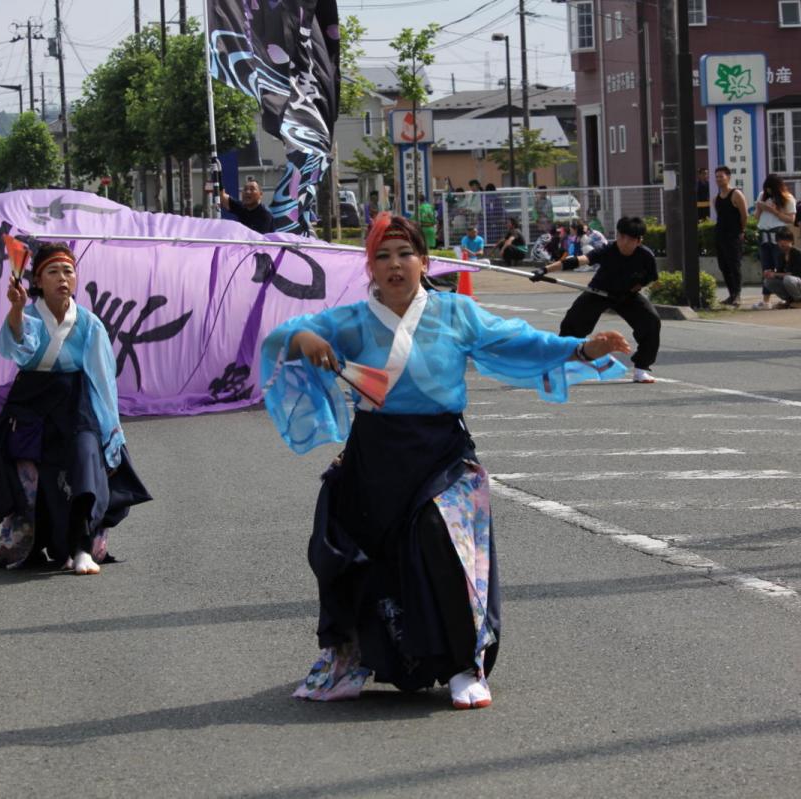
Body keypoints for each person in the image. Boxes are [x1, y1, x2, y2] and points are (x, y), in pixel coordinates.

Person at [259, 212, 630, 708]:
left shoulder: (456, 313)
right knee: (340, 546)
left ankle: (463, 664)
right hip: (375, 454)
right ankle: (349, 659)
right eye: (382, 256)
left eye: (405, 254)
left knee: (443, 541)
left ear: (424, 261)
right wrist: (300, 338)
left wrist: (581, 348)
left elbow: (520, 339)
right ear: (370, 268)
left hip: (441, 452)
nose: (395, 265)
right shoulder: (350, 321)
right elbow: (284, 335)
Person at [0, 243, 151, 574]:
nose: (63, 278)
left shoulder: (89, 323)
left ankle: (81, 548)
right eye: (53, 272)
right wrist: (17, 310)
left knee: (87, 463)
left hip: (76, 404)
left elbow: (103, 379)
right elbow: (17, 349)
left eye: (68, 271)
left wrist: (111, 429)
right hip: (31, 405)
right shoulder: (29, 315)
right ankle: (32, 547)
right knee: (29, 478)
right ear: (38, 281)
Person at [532, 216, 661, 384]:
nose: (623, 242)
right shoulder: (608, 250)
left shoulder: (646, 256)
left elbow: (648, 278)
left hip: (626, 295)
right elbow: (579, 260)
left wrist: (631, 290)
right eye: (621, 236)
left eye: (629, 239)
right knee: (573, 323)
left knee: (651, 322)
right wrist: (544, 270)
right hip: (598, 292)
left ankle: (641, 369)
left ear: (638, 241)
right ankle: (557, 365)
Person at [752, 174, 797, 309]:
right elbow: (756, 217)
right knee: (766, 267)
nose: (768, 192)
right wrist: (760, 208)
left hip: (779, 233)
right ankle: (766, 300)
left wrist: (774, 211)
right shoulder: (762, 195)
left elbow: (791, 220)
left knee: (781, 266)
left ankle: (787, 297)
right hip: (764, 233)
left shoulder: (787, 198)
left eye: (771, 189)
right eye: (767, 189)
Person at [713, 165, 748, 307]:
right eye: (716, 177)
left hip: (733, 235)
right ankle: (731, 294)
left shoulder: (736, 194)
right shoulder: (715, 198)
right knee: (724, 266)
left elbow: (744, 215)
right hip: (720, 234)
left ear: (728, 177)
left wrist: (741, 231)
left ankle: (737, 295)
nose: (719, 179)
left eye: (721, 176)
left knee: (734, 265)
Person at [757, 229, 801, 309]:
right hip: (793, 283)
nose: (782, 243)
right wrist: (770, 273)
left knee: (788, 279)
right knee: (768, 281)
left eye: (785, 240)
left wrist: (775, 274)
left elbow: (792, 274)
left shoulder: (797, 253)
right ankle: (789, 301)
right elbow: (780, 273)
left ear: (791, 241)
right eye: (779, 241)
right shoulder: (781, 255)